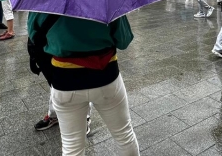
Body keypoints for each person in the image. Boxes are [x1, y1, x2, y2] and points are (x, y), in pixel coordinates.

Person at [27, 13, 139, 155]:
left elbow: (34, 36)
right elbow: (124, 41)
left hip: (64, 81)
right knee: (124, 136)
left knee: (71, 146)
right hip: (106, 77)